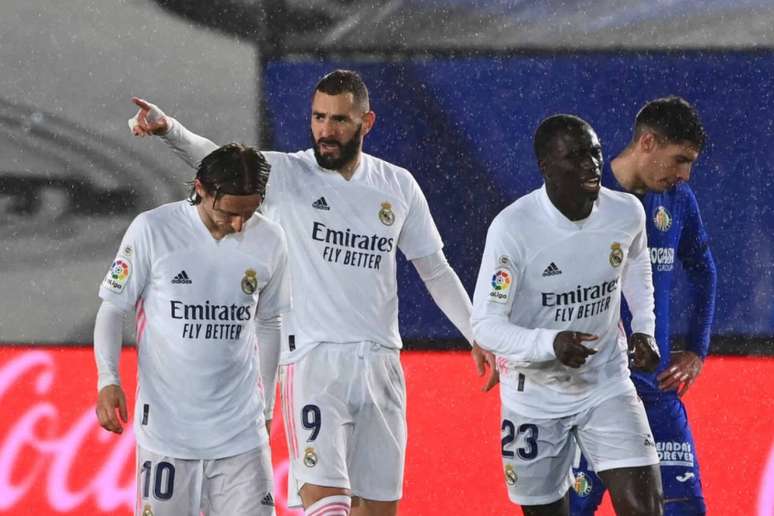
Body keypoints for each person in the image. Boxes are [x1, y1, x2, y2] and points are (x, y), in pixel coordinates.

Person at [128, 69, 497, 516]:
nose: (326, 130)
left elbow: (435, 270)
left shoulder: (397, 186)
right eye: (318, 117)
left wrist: (477, 333)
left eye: (339, 120)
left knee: (378, 509)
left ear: (367, 122)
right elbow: (213, 159)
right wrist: (169, 129)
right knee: (327, 504)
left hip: (381, 363)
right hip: (313, 362)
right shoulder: (285, 174)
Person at [471, 114, 665, 516]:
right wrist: (550, 343)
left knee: (647, 508)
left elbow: (636, 262)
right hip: (535, 397)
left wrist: (644, 328)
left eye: (594, 153)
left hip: (606, 384)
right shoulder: (513, 229)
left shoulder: (625, 212)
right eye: (575, 158)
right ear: (546, 167)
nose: (591, 165)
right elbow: (486, 325)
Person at [94, 143, 290, 516]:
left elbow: (269, 321)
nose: (239, 225)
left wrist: (266, 406)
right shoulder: (153, 229)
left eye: (249, 213)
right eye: (231, 212)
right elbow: (113, 307)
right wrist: (108, 378)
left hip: (241, 434)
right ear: (201, 189)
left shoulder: (271, 240)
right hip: (169, 432)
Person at [570, 97, 717, 515]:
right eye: (680, 159)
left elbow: (705, 271)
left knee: (685, 509)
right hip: (592, 394)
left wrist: (696, 350)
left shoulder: (678, 200)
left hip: (656, 392)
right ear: (647, 143)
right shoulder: (584, 198)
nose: (684, 174)